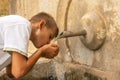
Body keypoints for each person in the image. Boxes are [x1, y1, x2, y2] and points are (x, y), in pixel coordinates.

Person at [0, 12, 59, 79]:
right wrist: (40, 52)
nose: (48, 43)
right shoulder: (22, 25)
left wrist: (39, 54)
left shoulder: (19, 36)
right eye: (50, 36)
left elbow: (11, 73)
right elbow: (18, 72)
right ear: (41, 24)